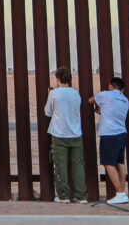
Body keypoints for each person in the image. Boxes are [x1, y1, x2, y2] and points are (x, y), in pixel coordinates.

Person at [44, 66, 87, 204]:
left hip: (59, 134)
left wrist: (49, 94)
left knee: (60, 165)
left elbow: (48, 112)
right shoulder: (76, 94)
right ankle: (81, 196)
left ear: (57, 79)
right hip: (75, 133)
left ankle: (63, 196)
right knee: (78, 165)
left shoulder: (54, 94)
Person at [89, 77, 129, 205]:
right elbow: (114, 112)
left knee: (108, 163)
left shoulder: (105, 94)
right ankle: (122, 193)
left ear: (110, 85)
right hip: (122, 133)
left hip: (109, 134)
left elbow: (91, 100)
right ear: (122, 89)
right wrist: (103, 110)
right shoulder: (125, 100)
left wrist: (98, 104)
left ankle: (120, 193)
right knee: (120, 162)